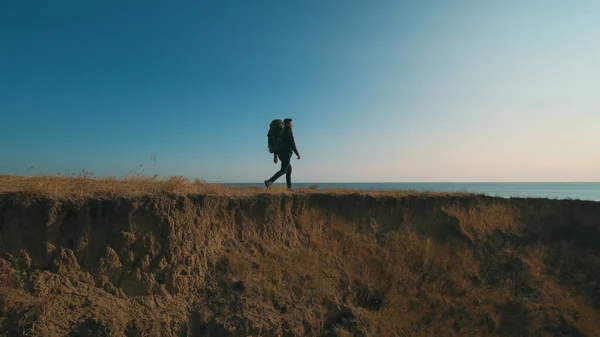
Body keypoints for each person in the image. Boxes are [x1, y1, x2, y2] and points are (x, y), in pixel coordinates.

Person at [265, 118, 301, 190]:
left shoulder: (280, 132)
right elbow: (292, 143)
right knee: (283, 170)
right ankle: (269, 181)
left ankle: (289, 187)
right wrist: (297, 153)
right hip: (286, 154)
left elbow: (277, 144)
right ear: (287, 123)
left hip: (280, 154)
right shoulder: (288, 131)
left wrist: (275, 156)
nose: (292, 125)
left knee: (289, 169)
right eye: (291, 123)